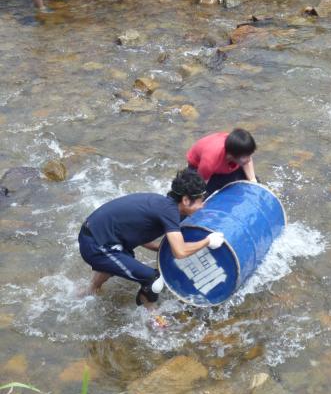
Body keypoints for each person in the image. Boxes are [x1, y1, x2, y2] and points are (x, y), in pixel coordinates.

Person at [79, 169, 224, 309]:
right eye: (200, 201)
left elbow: (133, 230)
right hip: (96, 245)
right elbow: (180, 252)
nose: (202, 206)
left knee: (123, 259)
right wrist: (208, 241)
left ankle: (89, 291)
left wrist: (157, 248)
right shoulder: (170, 212)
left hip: (96, 235)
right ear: (186, 200)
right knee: (153, 279)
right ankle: (151, 313)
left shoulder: (163, 204)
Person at [186, 129, 258, 195]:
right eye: (245, 157)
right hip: (199, 169)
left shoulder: (239, 148)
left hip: (225, 163)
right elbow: (200, 187)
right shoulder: (209, 162)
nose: (249, 159)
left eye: (249, 155)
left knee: (253, 183)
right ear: (231, 156)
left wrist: (253, 180)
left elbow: (247, 161)